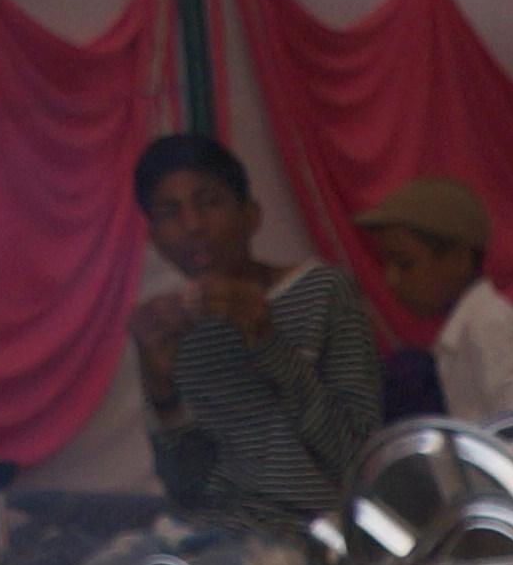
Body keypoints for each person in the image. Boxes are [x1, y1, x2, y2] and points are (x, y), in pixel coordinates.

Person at [130, 132, 379, 521]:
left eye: (208, 202)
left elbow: (357, 460)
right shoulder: (176, 330)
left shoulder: (323, 291)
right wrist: (163, 395)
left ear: (250, 216)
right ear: (155, 240)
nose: (192, 225)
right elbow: (189, 494)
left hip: (318, 539)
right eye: (170, 212)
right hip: (216, 541)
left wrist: (266, 338)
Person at [356, 176, 513, 429]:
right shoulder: (467, 328)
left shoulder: (488, 325)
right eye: (386, 264)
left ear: (458, 259)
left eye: (405, 264)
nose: (391, 279)